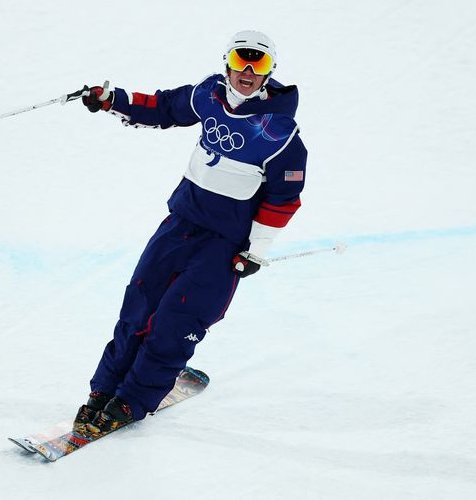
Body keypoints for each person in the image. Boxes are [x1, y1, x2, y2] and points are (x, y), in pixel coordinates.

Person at [74, 30, 308, 436]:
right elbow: (164, 107)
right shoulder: (208, 96)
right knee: (139, 305)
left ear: (271, 72)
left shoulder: (281, 135)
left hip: (224, 244)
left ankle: (132, 400)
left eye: (260, 64)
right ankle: (104, 390)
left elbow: (284, 198)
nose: (248, 72)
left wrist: (255, 249)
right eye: (241, 61)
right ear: (227, 63)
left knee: (175, 321)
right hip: (179, 224)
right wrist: (112, 100)